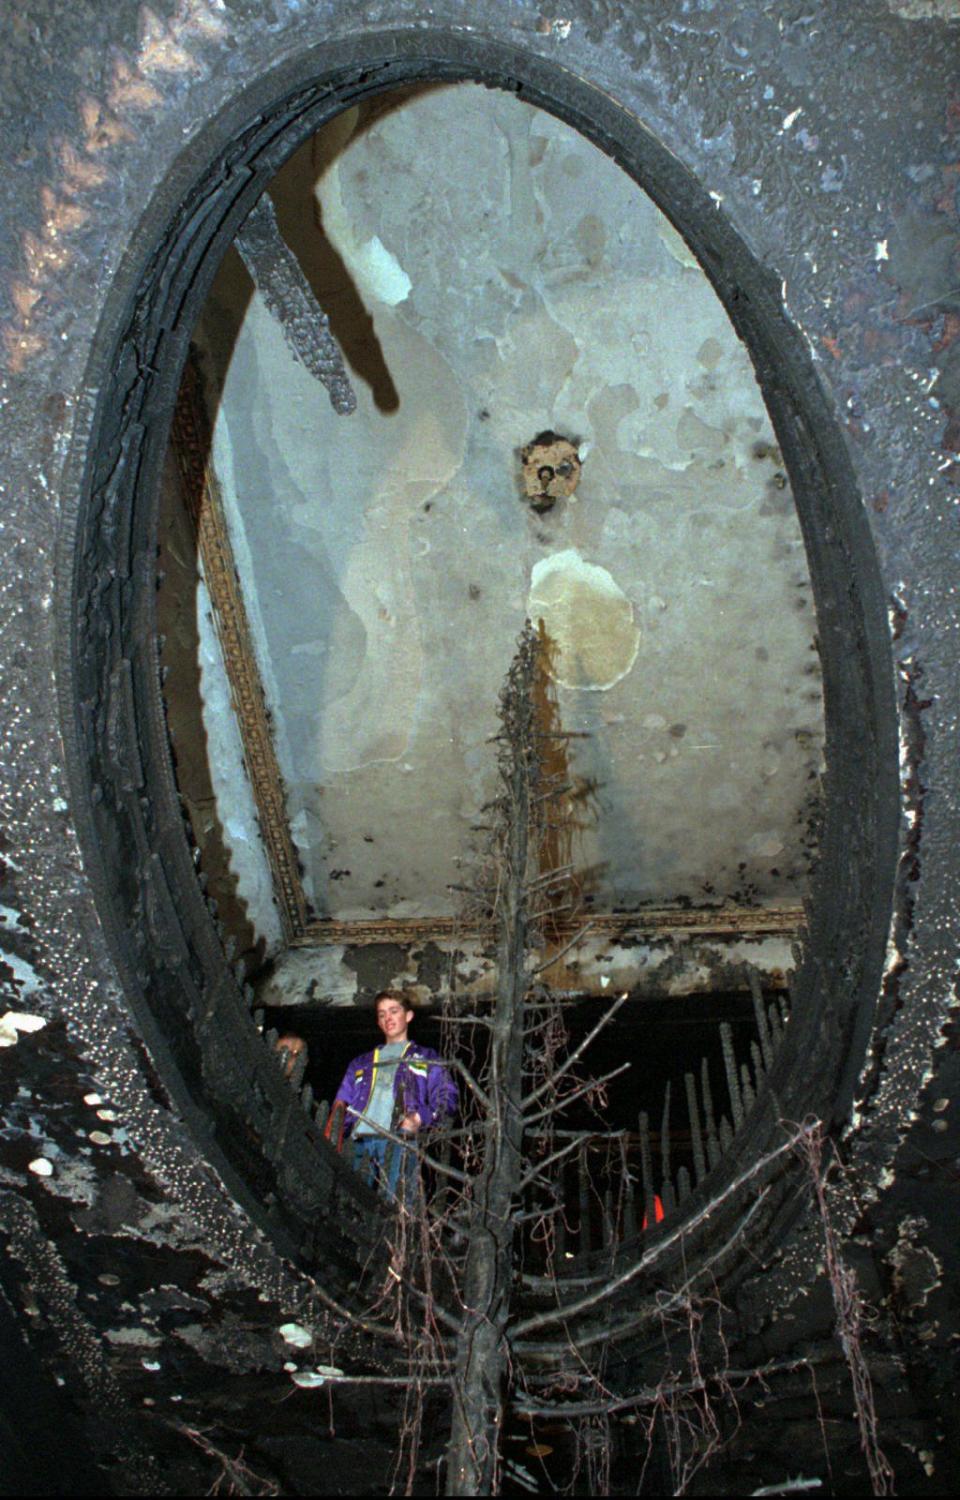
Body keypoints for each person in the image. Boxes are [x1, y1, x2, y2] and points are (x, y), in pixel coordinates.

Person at [332, 991, 457, 1199]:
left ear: (408, 1016)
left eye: (393, 1011)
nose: (387, 1018)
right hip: (358, 1143)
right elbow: (340, 1105)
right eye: (381, 1014)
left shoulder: (426, 1057)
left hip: (398, 1142)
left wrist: (419, 1118)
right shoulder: (361, 1063)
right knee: (350, 1206)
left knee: (396, 1208)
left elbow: (447, 1096)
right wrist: (334, 1138)